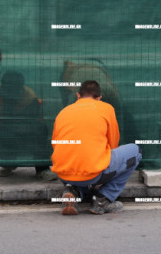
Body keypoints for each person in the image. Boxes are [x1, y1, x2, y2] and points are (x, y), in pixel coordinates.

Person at [51, 80, 142, 215]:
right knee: (136, 151)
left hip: (63, 172)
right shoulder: (106, 108)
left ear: (78, 95)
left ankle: (71, 191)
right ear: (99, 98)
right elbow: (113, 143)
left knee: (78, 164)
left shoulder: (63, 112)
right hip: (93, 174)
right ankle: (102, 199)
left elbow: (56, 144)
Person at [0, 71, 57, 181]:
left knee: (41, 130)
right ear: (3, 86)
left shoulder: (30, 98)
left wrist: (18, 128)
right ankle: (7, 164)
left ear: (21, 87)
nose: (11, 91)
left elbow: (34, 121)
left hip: (25, 132)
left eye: (14, 88)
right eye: (8, 88)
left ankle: (42, 168)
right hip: (2, 131)